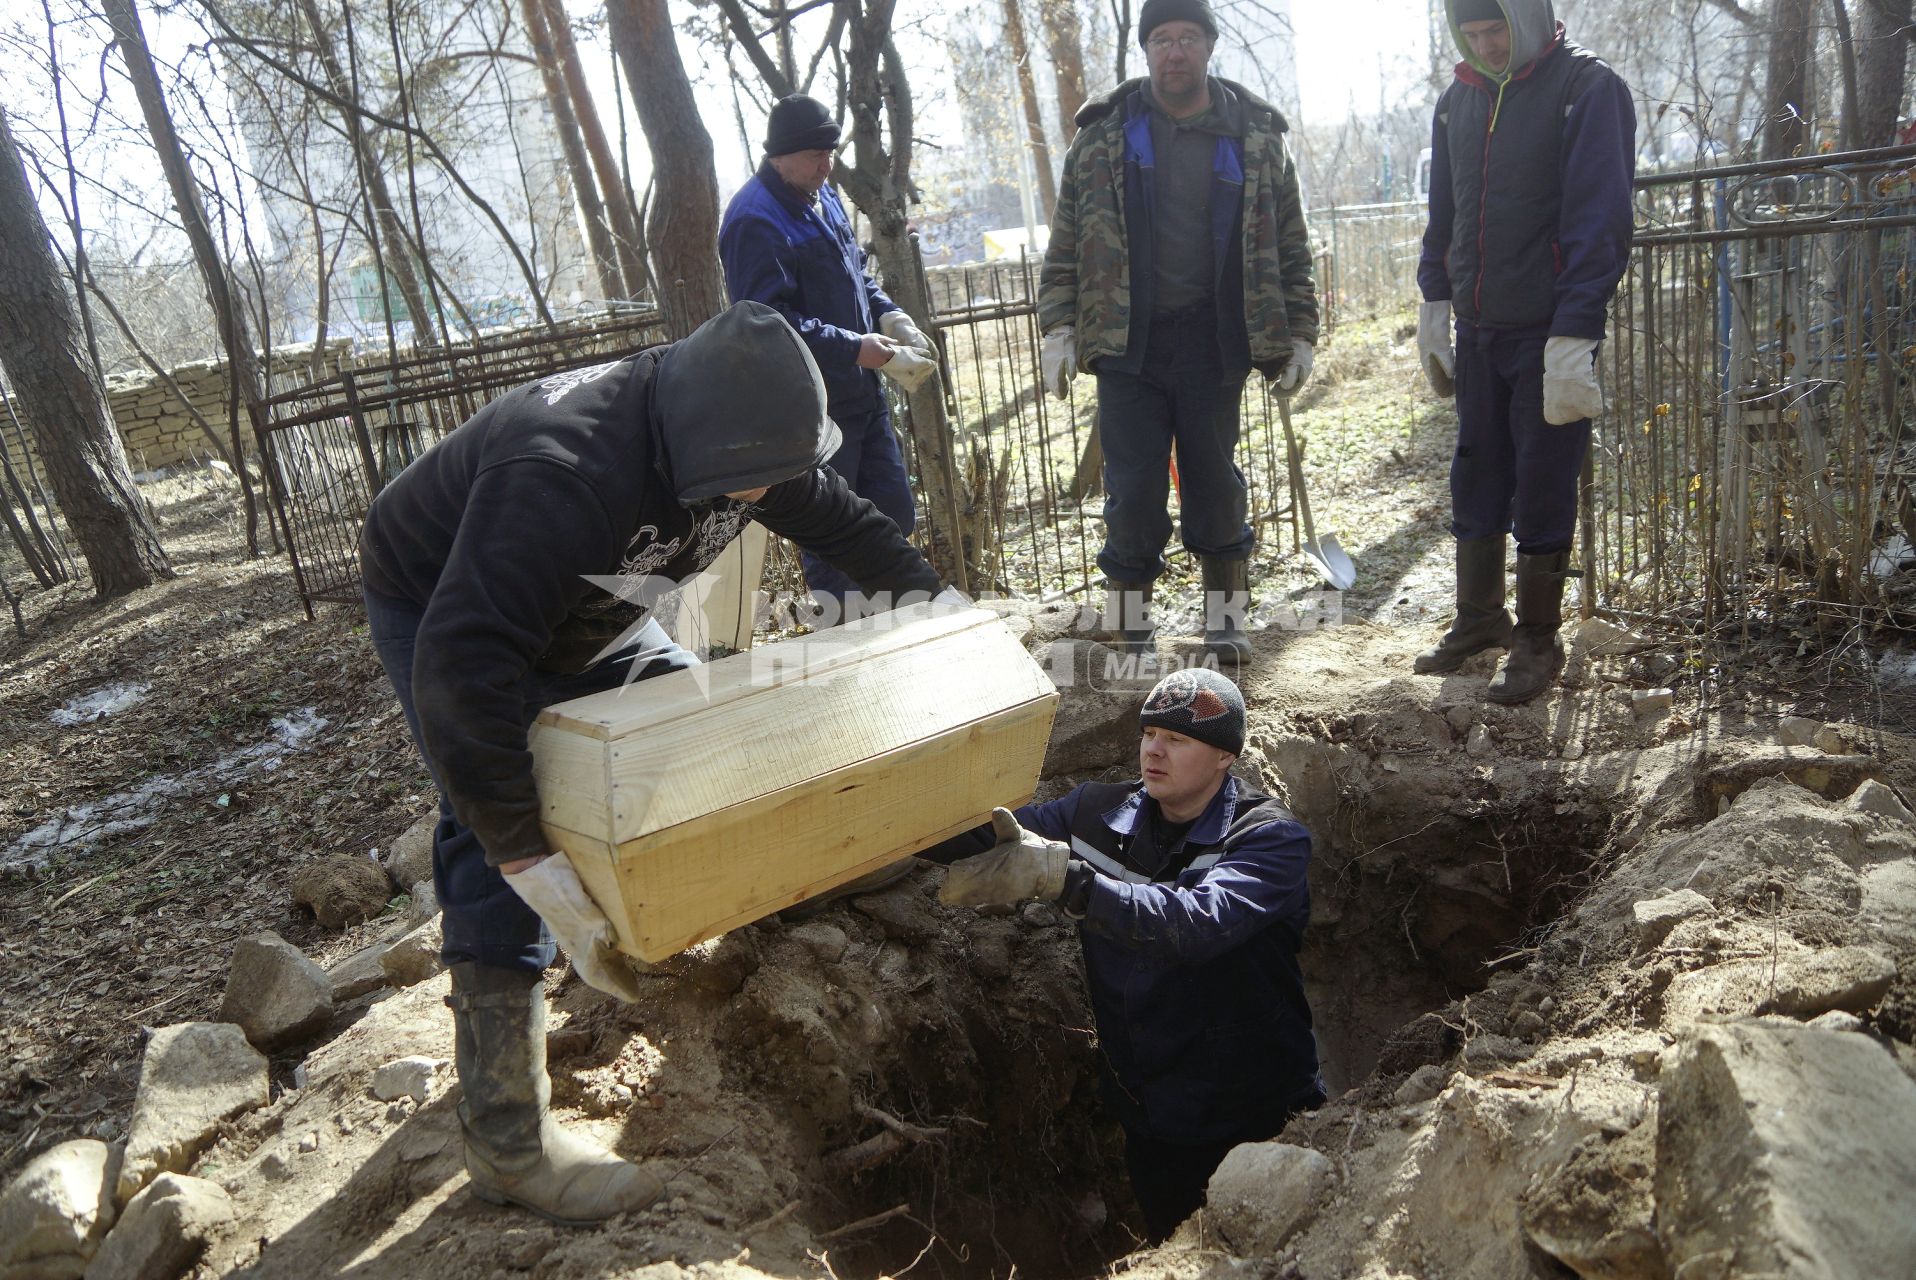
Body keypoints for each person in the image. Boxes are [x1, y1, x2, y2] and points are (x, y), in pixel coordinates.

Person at [358, 301, 956, 1226]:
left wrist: (946, 622)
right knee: (490, 827)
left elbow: (848, 527)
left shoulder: (745, 436)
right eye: (749, 488)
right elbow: (463, 669)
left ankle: (754, 888)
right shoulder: (559, 475)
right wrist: (530, 858)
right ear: (690, 452)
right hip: (447, 606)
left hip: (595, 601)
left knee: (701, 735)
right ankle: (508, 1140)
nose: (763, 500)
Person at [928, 668, 1324, 1240]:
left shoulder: (1267, 839)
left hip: (1256, 1114)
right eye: (1149, 736)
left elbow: (1196, 924)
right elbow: (987, 839)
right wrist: (883, 822)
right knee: (1172, 1246)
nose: (1155, 752)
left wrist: (1071, 884)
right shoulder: (1093, 814)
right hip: (1151, 1113)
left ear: (1224, 758)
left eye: (1179, 740)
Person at [1037, 0, 1319, 662]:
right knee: (1133, 492)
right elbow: (1066, 244)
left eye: (1187, 37)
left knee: (1215, 484)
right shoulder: (1104, 136)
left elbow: (1292, 244)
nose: (1174, 51)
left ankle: (1226, 621)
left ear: (1209, 47)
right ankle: (1131, 625)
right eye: (1162, 38)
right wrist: (1058, 328)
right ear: (1146, 51)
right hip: (1127, 345)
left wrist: (1300, 334)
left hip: (1215, 340)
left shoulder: (1253, 135)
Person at [1413, 0, 1635, 703]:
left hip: (1549, 331)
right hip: (1479, 328)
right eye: (1471, 35)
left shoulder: (1586, 90)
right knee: (1475, 473)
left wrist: (1576, 331)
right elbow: (1442, 215)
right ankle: (1480, 617)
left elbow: (1600, 216)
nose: (1486, 47)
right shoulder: (1457, 101)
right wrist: (1434, 301)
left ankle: (1539, 638)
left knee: (1543, 476)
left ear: (1529, 19)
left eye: (1496, 32)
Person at [719, 93, 936, 617]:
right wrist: (853, 347)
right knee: (832, 538)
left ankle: (898, 629)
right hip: (808, 411)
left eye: (831, 151)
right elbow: (766, 323)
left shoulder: (824, 196)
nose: (828, 163)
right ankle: (846, 644)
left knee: (892, 513)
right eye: (817, 153)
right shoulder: (755, 220)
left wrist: (888, 315)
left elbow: (856, 273)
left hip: (863, 392)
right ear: (781, 155)